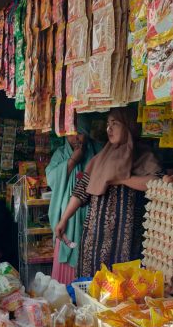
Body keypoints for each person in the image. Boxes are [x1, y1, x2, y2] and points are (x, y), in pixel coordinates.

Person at [54, 107, 161, 275]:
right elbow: (81, 190)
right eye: (108, 124)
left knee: (124, 290)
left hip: (127, 240)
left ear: (128, 126)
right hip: (95, 240)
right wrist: (64, 219)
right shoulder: (101, 157)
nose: (109, 129)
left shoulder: (143, 155)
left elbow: (156, 184)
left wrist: (121, 179)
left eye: (115, 124)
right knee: (94, 288)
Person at [46, 117, 102, 284]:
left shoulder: (98, 151)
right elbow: (51, 179)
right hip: (67, 220)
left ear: (86, 133)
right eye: (70, 134)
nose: (75, 138)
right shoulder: (61, 154)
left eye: (79, 133)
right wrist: (72, 161)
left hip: (92, 216)